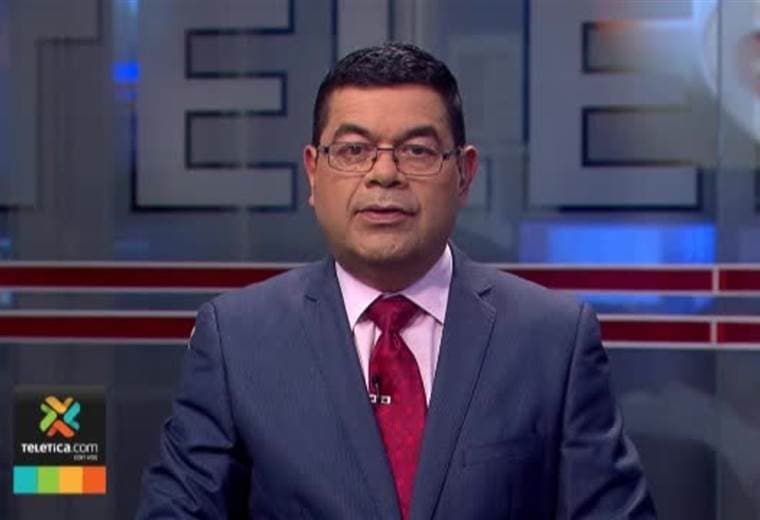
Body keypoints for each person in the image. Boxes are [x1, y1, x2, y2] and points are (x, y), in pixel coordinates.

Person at [137, 42, 656, 519]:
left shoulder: (552, 339)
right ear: (313, 173)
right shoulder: (237, 339)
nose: (384, 174)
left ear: (464, 174)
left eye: (417, 151)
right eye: (353, 150)